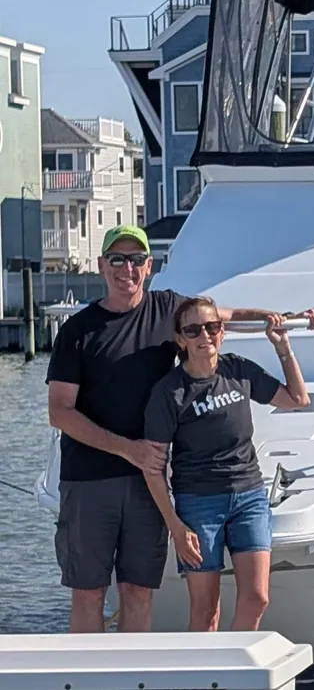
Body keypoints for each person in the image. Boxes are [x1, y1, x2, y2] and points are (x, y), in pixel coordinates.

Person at [46, 223, 292, 634]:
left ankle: (131, 679)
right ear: (102, 265)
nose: (128, 268)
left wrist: (277, 320)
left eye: (137, 259)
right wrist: (129, 449)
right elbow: (60, 412)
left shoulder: (169, 310)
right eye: (118, 259)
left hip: (149, 485)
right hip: (89, 482)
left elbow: (223, 317)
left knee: (138, 593)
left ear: (150, 266)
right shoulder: (77, 331)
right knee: (88, 595)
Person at [141, 295, 314, 632]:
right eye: (193, 330)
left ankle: (231, 674)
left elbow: (298, 399)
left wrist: (283, 347)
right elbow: (153, 468)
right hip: (199, 505)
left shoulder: (237, 368)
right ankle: (201, 681)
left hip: (249, 497)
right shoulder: (170, 392)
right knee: (206, 611)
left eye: (211, 327)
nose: (204, 336)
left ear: (222, 332)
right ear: (181, 339)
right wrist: (176, 528)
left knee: (257, 599)